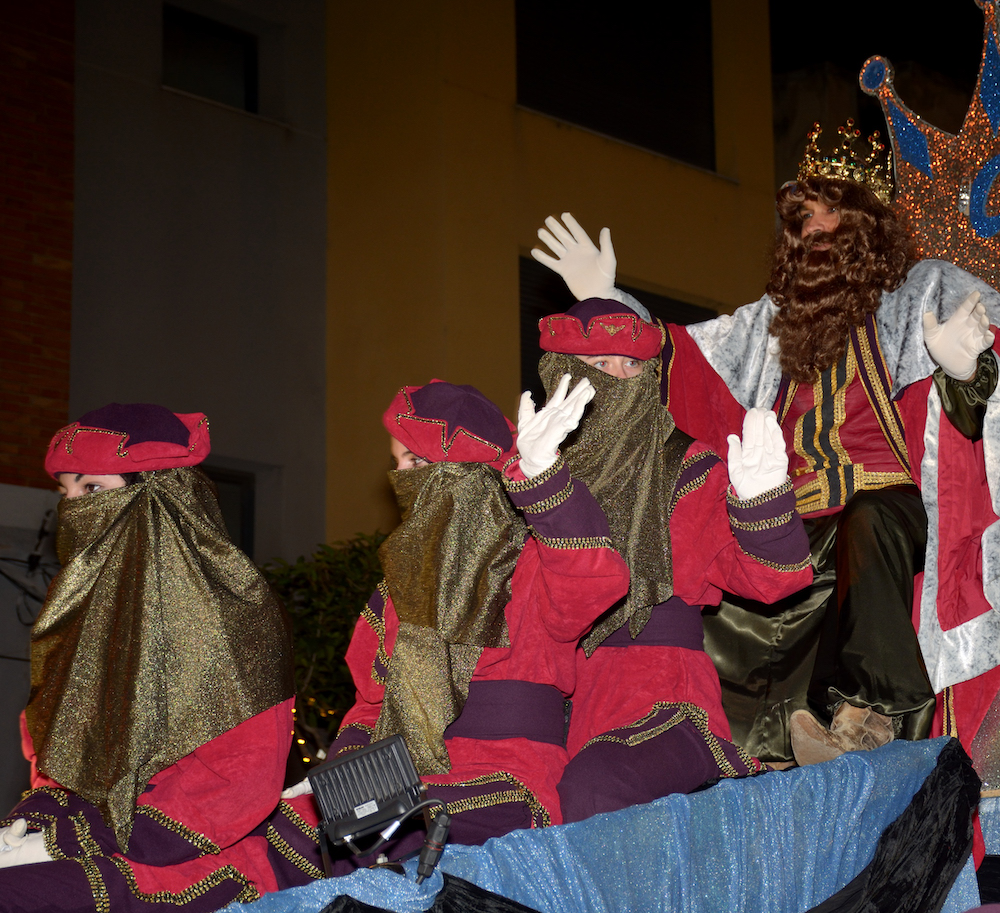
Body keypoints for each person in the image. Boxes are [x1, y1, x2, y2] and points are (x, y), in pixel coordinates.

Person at [532, 123, 1000, 763]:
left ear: (867, 224)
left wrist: (963, 372)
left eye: (830, 214)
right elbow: (683, 361)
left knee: (869, 519)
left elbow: (995, 379)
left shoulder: (923, 293)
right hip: (802, 521)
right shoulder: (770, 328)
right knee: (712, 562)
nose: (813, 230)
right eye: (802, 220)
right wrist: (609, 302)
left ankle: (866, 718)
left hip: (899, 513)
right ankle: (712, 743)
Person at [269, 379, 629, 878]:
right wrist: (341, 772)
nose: (399, 477)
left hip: (506, 774)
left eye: (415, 462)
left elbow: (594, 582)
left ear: (461, 473)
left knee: (404, 835)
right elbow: (373, 703)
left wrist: (543, 479)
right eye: (396, 463)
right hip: (397, 772)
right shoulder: (398, 586)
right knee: (284, 837)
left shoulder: (531, 561)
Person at [0, 403, 296, 910]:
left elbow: (237, 780)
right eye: (66, 494)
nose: (73, 509)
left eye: (92, 490)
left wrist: (70, 842)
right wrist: (36, 827)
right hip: (88, 835)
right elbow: (57, 754)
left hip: (186, 854)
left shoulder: (230, 613)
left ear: (158, 496)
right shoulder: (82, 614)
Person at [535, 300, 814, 821]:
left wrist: (763, 503)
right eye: (601, 364)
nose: (621, 377)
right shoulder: (530, 473)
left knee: (594, 789)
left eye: (632, 364)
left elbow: (773, 582)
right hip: (556, 707)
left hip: (659, 695)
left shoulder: (685, 465)